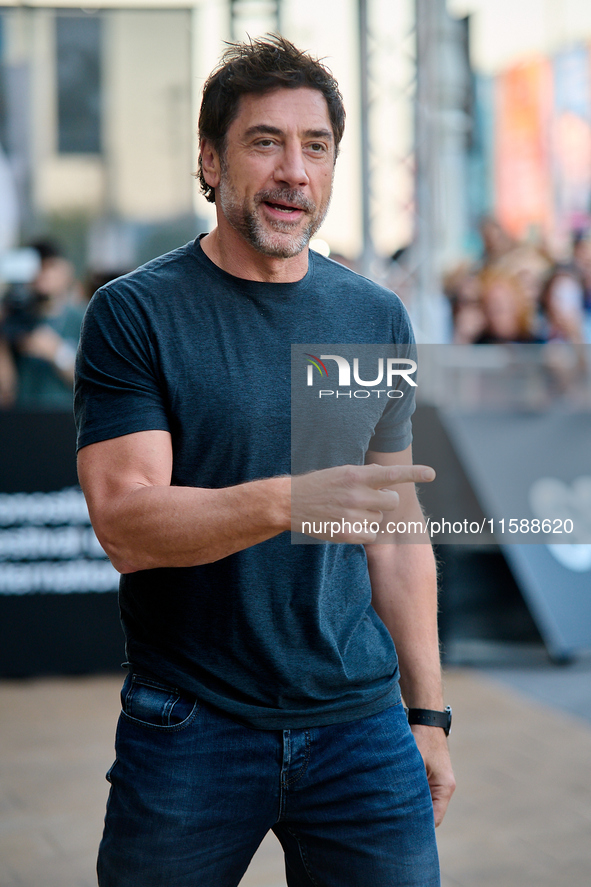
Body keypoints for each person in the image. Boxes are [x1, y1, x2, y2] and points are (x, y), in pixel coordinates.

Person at [75, 37, 455, 887]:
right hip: (191, 723)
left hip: (362, 726)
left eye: (315, 146)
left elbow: (394, 531)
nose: (294, 171)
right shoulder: (135, 314)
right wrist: (290, 499)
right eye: (264, 142)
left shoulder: (372, 316)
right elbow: (128, 524)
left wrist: (426, 712)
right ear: (209, 161)